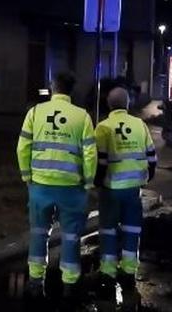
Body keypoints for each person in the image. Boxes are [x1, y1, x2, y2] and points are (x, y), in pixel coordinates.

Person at [16, 72, 97, 308]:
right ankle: (69, 285)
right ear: (71, 90)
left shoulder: (35, 113)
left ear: (53, 87)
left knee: (38, 234)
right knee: (71, 236)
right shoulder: (82, 117)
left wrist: (27, 176)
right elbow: (90, 153)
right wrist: (88, 181)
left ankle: (34, 282)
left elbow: (23, 147)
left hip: (40, 186)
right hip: (72, 188)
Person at [94, 87, 157, 308]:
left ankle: (108, 274)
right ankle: (129, 272)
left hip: (111, 189)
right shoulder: (140, 125)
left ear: (109, 105)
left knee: (108, 231)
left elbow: (100, 161)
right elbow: (152, 157)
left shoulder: (103, 127)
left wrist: (98, 182)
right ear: (128, 104)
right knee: (132, 230)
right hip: (133, 189)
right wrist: (147, 176)